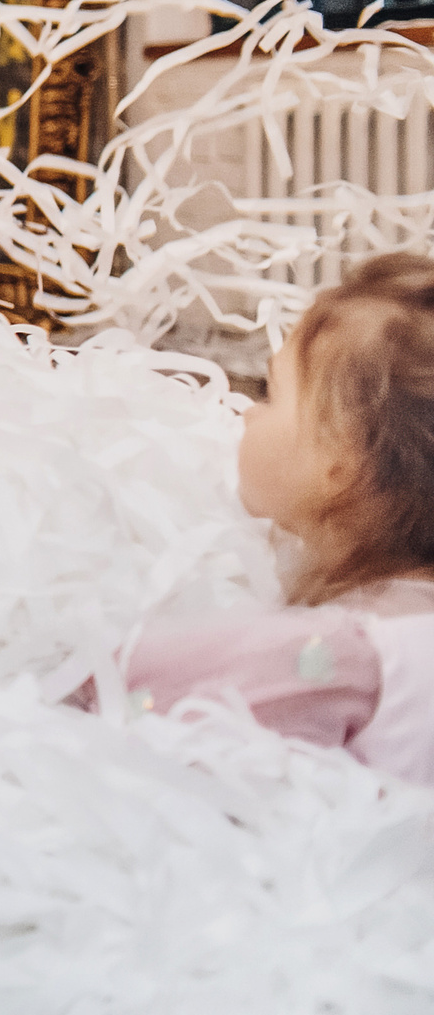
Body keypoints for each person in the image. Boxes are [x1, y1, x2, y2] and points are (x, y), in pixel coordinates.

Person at [84, 254, 434, 783]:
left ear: (338, 464)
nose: (248, 410)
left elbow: (121, 689)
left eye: (272, 393)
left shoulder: (346, 658)